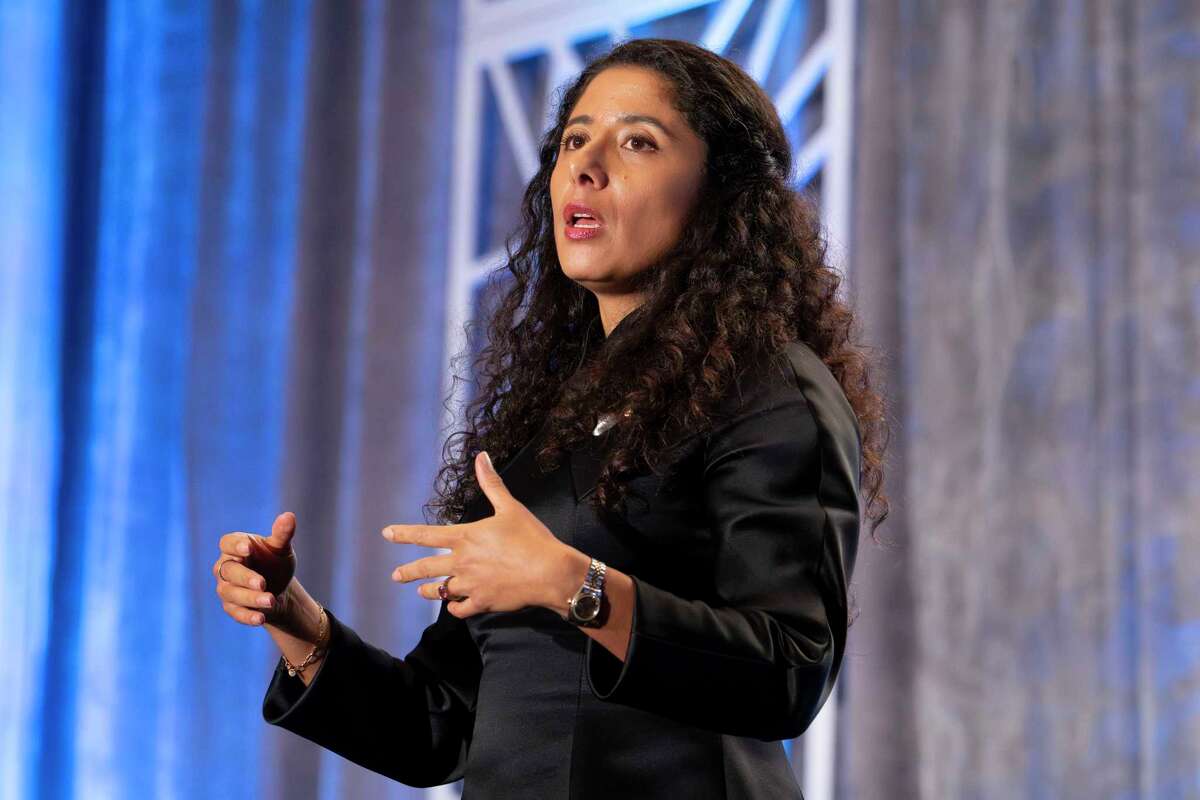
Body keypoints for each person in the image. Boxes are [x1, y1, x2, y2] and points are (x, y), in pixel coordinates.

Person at [211, 37, 889, 799]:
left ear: (722, 191)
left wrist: (573, 583)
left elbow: (789, 669)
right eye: (573, 139)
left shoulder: (768, 388)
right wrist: (300, 627)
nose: (585, 167)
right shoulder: (553, 417)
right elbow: (442, 725)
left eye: (637, 141)